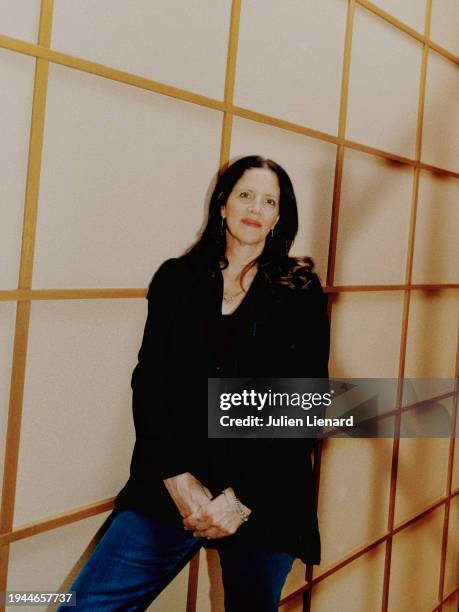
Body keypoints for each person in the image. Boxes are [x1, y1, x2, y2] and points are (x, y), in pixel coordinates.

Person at [59, 155, 330, 611]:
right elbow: (150, 385)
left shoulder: (298, 292)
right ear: (223, 204)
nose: (255, 208)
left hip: (263, 491)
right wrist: (177, 479)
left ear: (279, 218)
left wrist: (240, 501)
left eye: (269, 201)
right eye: (245, 194)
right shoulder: (176, 279)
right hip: (173, 480)